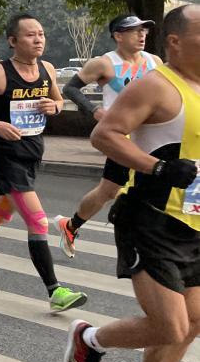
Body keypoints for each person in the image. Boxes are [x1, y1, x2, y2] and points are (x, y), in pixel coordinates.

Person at [65, 4, 200, 362]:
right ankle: (89, 341)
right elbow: (104, 134)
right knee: (170, 324)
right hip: (150, 218)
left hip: (194, 222)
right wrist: (157, 168)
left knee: (196, 318)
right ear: (175, 42)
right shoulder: (157, 87)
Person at [0, 14, 87, 311]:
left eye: (41, 34)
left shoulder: (48, 69)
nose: (38, 40)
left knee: (0, 214)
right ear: (13, 41)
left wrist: (55, 106)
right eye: (30, 35)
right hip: (6, 156)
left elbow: (60, 101)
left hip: (33, 151)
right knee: (37, 221)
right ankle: (55, 291)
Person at [57, 14, 162, 256]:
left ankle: (71, 225)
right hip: (120, 137)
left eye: (144, 31)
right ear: (118, 35)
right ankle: (74, 226)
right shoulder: (103, 64)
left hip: (151, 135)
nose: (142, 35)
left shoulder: (154, 61)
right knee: (115, 189)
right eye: (135, 30)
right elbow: (70, 88)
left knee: (115, 189)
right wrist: (94, 110)